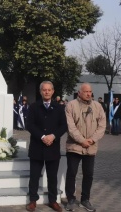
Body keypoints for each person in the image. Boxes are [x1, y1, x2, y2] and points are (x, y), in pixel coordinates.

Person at [25, 81, 67, 212]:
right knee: (34, 176)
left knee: (52, 176)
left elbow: (64, 126)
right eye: (44, 90)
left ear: (53, 91)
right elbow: (29, 125)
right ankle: (33, 200)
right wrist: (43, 137)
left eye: (49, 90)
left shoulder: (59, 108)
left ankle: (53, 201)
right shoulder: (33, 107)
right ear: (40, 91)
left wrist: (53, 136)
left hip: (53, 147)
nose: (47, 92)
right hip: (37, 147)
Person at [64, 83, 106, 212]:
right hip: (74, 146)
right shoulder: (70, 106)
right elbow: (71, 127)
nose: (89, 94)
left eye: (90, 91)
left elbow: (102, 126)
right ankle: (71, 199)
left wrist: (92, 140)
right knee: (72, 173)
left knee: (89, 174)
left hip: (90, 147)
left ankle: (85, 200)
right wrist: (82, 141)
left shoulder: (97, 106)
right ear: (79, 92)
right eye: (86, 91)